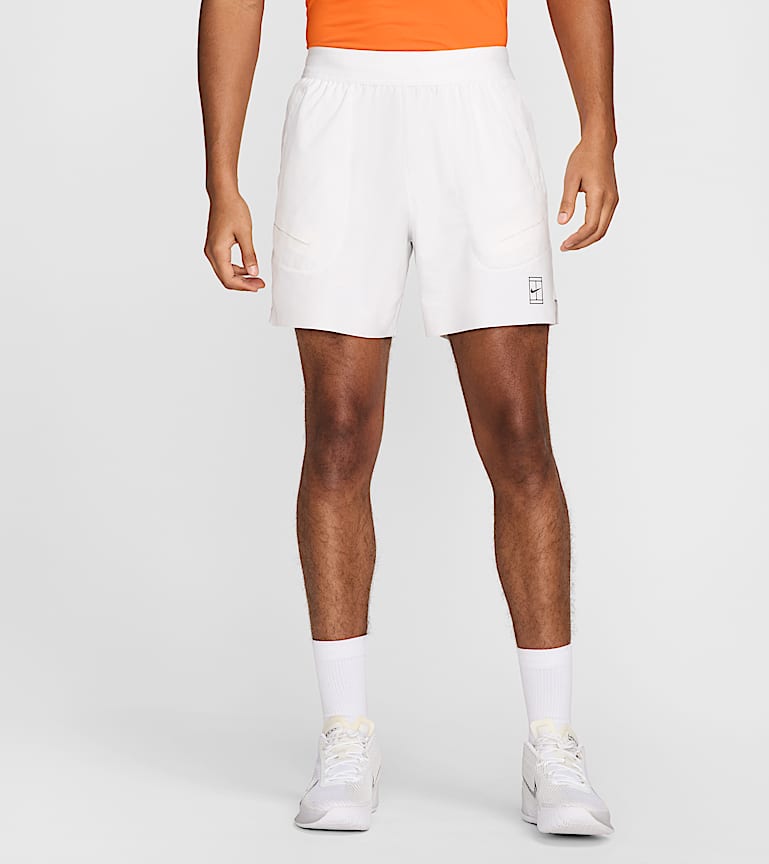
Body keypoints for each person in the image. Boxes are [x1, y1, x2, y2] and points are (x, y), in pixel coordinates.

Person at [198, 0, 619, 836]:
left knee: (520, 435)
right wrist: (221, 179)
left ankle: (552, 744)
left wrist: (598, 127)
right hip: (341, 111)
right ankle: (345, 735)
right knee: (337, 433)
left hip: (474, 102)